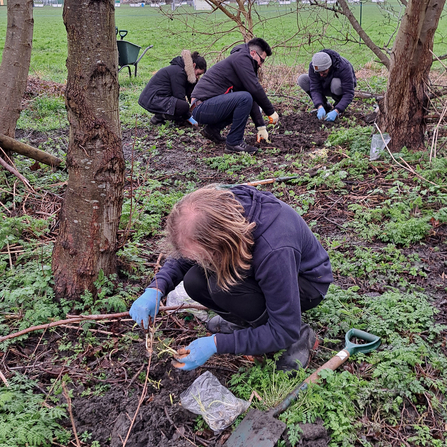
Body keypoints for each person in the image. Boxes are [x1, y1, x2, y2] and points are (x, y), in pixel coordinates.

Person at [129, 185, 333, 372]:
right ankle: (250, 326)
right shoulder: (219, 207)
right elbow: (188, 254)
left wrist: (218, 344)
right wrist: (156, 287)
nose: (199, 260)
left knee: (222, 287)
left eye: (204, 256)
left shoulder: (275, 249)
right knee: (195, 281)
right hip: (263, 269)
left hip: (304, 284)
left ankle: (298, 337)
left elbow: (283, 329)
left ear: (223, 241)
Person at [189, 37, 279, 155]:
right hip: (201, 107)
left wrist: (261, 127)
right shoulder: (241, 59)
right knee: (244, 98)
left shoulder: (242, 61)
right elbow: (254, 88)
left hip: (206, 106)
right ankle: (234, 143)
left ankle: (212, 130)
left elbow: (251, 95)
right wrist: (270, 111)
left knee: (243, 100)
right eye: (262, 60)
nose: (261, 65)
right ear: (253, 53)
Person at [138, 50, 207, 126]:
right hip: (152, 99)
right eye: (198, 74)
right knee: (183, 106)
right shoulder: (178, 72)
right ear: (193, 65)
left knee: (182, 106)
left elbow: (191, 94)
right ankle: (159, 117)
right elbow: (179, 97)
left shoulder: (184, 71)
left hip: (159, 98)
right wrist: (189, 117)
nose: (197, 77)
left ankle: (178, 119)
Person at [297, 49, 356, 122]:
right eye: (319, 72)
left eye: (324, 72)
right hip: (324, 85)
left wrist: (337, 111)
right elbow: (315, 88)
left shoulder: (343, 66)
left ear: (330, 66)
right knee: (302, 79)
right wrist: (319, 106)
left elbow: (348, 93)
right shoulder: (313, 66)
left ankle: (337, 107)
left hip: (338, 87)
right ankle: (325, 107)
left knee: (336, 83)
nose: (321, 75)